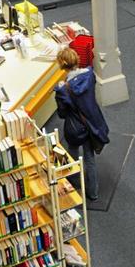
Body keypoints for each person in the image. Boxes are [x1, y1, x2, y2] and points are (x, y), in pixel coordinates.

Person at [54, 48, 109, 201]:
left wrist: (60, 90)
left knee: (72, 153)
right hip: (91, 124)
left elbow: (62, 113)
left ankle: (74, 182)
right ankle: (93, 193)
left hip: (75, 129)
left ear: (62, 65)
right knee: (89, 158)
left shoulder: (63, 90)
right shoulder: (89, 76)